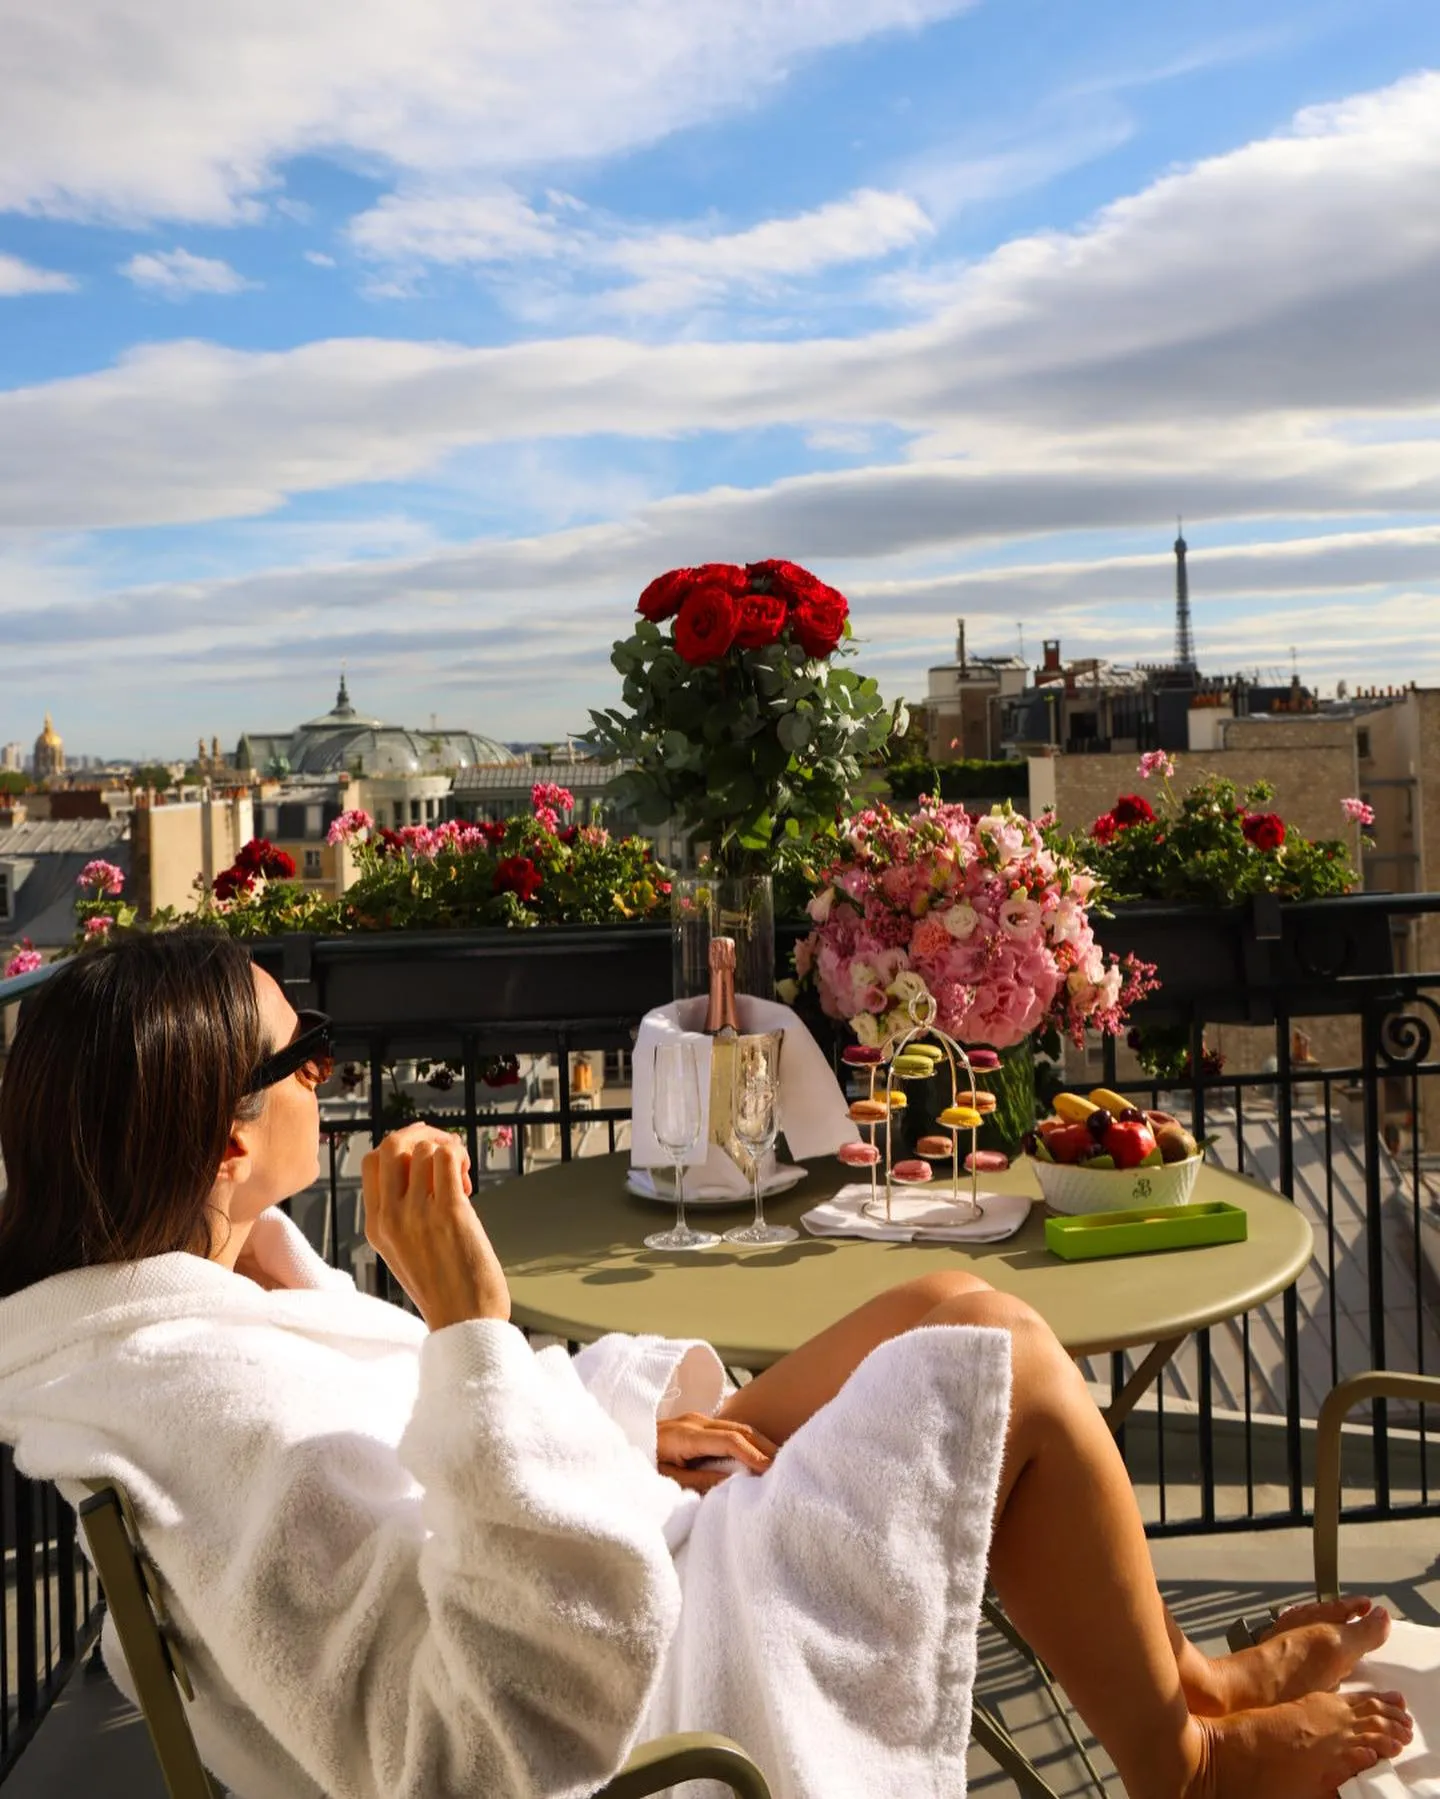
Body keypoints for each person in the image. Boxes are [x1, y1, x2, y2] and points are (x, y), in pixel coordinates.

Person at [0, 931, 1411, 1799]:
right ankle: (1192, 1767)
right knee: (1004, 1361)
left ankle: (1190, 1686)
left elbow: (438, 1475)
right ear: (228, 1144)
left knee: (944, 1298)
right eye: (300, 1053)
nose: (329, 1067)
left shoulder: (211, 1316)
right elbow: (473, 1747)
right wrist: (473, 1322)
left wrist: (628, 1425)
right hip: (636, 1669)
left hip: (601, 1537)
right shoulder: (218, 1411)